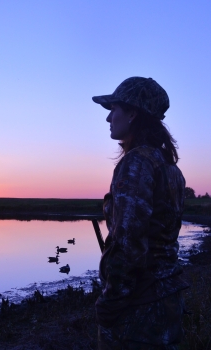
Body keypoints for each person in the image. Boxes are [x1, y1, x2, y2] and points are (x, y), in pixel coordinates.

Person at [92, 77, 189, 349]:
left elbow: (128, 242)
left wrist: (111, 302)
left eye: (114, 109)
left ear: (133, 112)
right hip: (167, 300)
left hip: (139, 309)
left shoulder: (137, 163)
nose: (109, 118)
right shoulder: (170, 167)